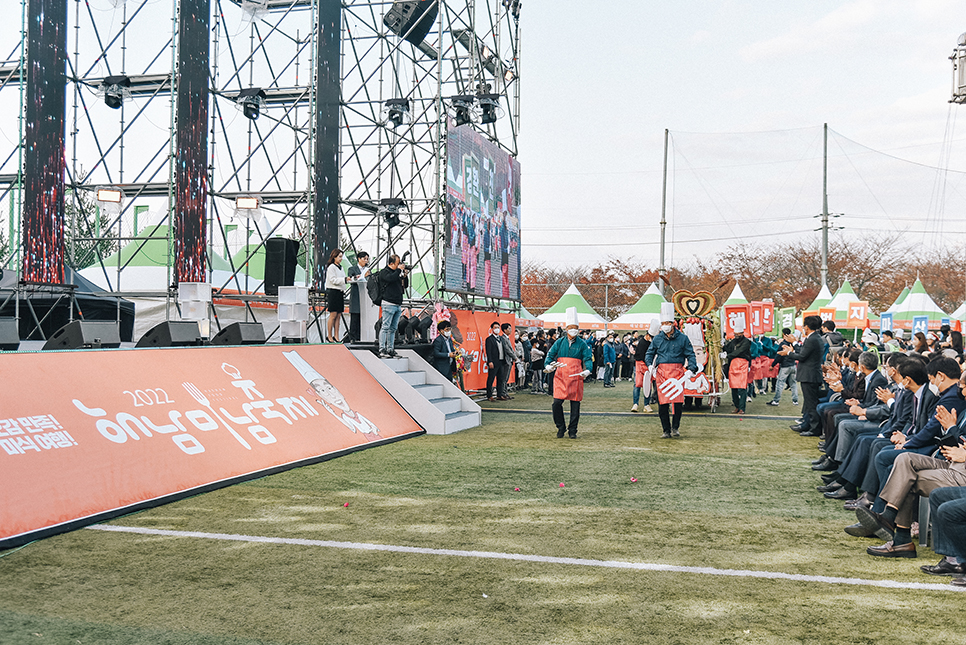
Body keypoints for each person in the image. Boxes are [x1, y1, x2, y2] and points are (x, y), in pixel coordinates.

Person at [645, 302, 697, 439]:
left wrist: (691, 369)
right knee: (662, 403)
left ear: (673, 323)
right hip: (662, 373)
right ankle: (666, 429)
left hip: (678, 373)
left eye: (667, 322)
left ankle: (675, 427)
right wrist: (650, 366)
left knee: (678, 403)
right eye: (663, 323)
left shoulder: (683, 338)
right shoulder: (657, 338)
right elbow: (649, 353)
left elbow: (691, 354)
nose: (665, 326)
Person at [545, 307, 593, 438]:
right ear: (566, 329)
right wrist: (548, 366)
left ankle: (573, 430)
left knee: (575, 405)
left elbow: (588, 358)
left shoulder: (582, 344)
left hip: (576, 377)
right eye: (571, 327)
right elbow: (549, 356)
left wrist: (588, 370)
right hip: (560, 376)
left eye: (576, 327)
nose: (574, 330)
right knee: (556, 404)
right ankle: (560, 426)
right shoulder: (559, 342)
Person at [778, 315, 826, 437]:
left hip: (809, 375)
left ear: (807, 327)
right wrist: (793, 346)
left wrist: (788, 352)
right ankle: (809, 425)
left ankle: (815, 428)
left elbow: (802, 356)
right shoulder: (815, 338)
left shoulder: (812, 339)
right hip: (811, 374)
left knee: (811, 403)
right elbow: (804, 353)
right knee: (809, 403)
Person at [377, 254, 408, 358]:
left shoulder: (396, 273)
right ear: (391, 263)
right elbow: (390, 279)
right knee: (385, 326)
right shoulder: (384, 272)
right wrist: (399, 270)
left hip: (397, 303)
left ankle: (391, 349)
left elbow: (405, 285)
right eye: (397, 263)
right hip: (388, 302)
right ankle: (382, 349)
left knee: (393, 328)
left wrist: (405, 276)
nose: (399, 265)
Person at [722, 320, 752, 414]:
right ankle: (736, 406)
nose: (736, 336)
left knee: (742, 387)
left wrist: (727, 355)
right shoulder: (733, 341)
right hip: (733, 365)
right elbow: (728, 348)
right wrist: (722, 344)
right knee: (733, 387)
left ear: (742, 333)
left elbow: (739, 351)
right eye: (735, 334)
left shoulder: (746, 342)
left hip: (742, 364)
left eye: (738, 334)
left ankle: (742, 408)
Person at [768, 328, 799, 407]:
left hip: (785, 366)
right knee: (793, 384)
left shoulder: (783, 344)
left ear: (783, 334)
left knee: (780, 383)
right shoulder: (794, 343)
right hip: (793, 365)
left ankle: (776, 400)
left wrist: (773, 365)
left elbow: (779, 356)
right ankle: (795, 401)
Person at [324, 248, 349, 343]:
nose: (341, 258)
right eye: (339, 257)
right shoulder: (331, 267)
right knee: (333, 314)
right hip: (333, 292)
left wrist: (346, 280)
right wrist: (344, 280)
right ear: (334, 257)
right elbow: (333, 280)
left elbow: (341, 279)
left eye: (341, 257)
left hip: (340, 292)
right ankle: (329, 335)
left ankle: (336, 335)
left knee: (339, 315)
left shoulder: (341, 267)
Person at [632, 320, 656, 413]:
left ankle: (645, 404)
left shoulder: (650, 343)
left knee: (647, 385)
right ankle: (636, 404)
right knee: (638, 384)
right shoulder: (643, 343)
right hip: (640, 365)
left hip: (647, 366)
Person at [346, 251, 370, 342]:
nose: (366, 261)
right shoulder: (352, 269)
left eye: (367, 259)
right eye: (364, 259)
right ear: (359, 259)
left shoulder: (368, 270)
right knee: (354, 318)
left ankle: (360, 337)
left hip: (364, 296)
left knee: (362, 319)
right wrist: (362, 275)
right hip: (356, 295)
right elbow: (351, 279)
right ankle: (352, 337)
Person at [485, 321, 509, 401]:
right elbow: (488, 351)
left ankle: (499, 394)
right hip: (494, 362)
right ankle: (489, 395)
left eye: (498, 328)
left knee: (501, 379)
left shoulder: (501, 338)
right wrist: (490, 361)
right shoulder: (489, 339)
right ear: (492, 329)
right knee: (491, 379)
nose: (497, 329)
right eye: (495, 328)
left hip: (501, 361)